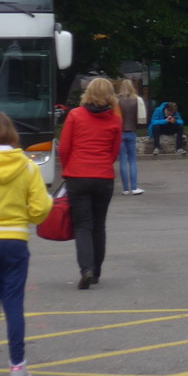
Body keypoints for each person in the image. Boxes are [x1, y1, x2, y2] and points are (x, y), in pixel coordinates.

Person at [0, 112, 53, 376]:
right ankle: (18, 365)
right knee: (14, 305)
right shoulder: (28, 167)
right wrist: (31, 214)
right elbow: (41, 208)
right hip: (16, 241)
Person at [59, 77, 122, 290]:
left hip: (78, 175)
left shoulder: (75, 115)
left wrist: (68, 169)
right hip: (103, 177)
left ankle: (86, 269)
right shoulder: (115, 120)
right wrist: (103, 164)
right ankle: (96, 271)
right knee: (98, 225)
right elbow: (114, 152)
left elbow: (64, 147)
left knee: (82, 226)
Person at [116, 79, 145, 195]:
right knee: (132, 160)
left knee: (122, 160)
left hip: (120, 132)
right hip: (132, 131)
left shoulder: (117, 100)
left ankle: (125, 189)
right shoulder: (137, 100)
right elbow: (141, 119)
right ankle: (134, 187)